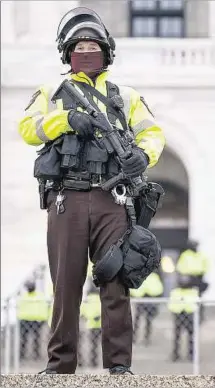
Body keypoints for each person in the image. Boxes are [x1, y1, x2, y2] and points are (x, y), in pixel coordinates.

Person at [18, 7, 165, 375]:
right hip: (66, 198)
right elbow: (27, 128)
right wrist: (65, 119)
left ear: (106, 51)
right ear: (67, 54)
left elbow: (152, 133)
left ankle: (119, 367)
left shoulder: (124, 95)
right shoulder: (51, 91)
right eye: (79, 46)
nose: (86, 51)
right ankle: (59, 366)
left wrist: (142, 157)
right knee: (66, 286)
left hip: (112, 200)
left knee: (115, 283)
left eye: (92, 45)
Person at [168, 276, 199, 362]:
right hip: (179, 315)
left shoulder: (193, 291)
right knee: (177, 336)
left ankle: (191, 354)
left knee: (191, 336)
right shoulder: (175, 292)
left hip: (189, 315)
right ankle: (175, 354)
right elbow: (172, 304)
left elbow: (194, 303)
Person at [17, 281, 49, 360]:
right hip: (25, 320)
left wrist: (43, 319)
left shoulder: (39, 296)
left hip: (36, 320)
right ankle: (22, 355)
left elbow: (44, 308)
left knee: (36, 339)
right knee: (24, 339)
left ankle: (35, 355)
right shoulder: (24, 296)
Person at [130, 272, 163, 345]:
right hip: (144, 298)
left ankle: (143, 337)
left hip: (145, 298)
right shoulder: (153, 275)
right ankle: (140, 337)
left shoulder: (146, 274)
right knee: (141, 319)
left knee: (144, 320)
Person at [79, 281, 101, 368]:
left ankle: (86, 362)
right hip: (99, 325)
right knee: (95, 346)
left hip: (89, 325)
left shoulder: (87, 300)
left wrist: (86, 317)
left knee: (90, 345)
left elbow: (82, 313)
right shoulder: (100, 299)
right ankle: (94, 362)